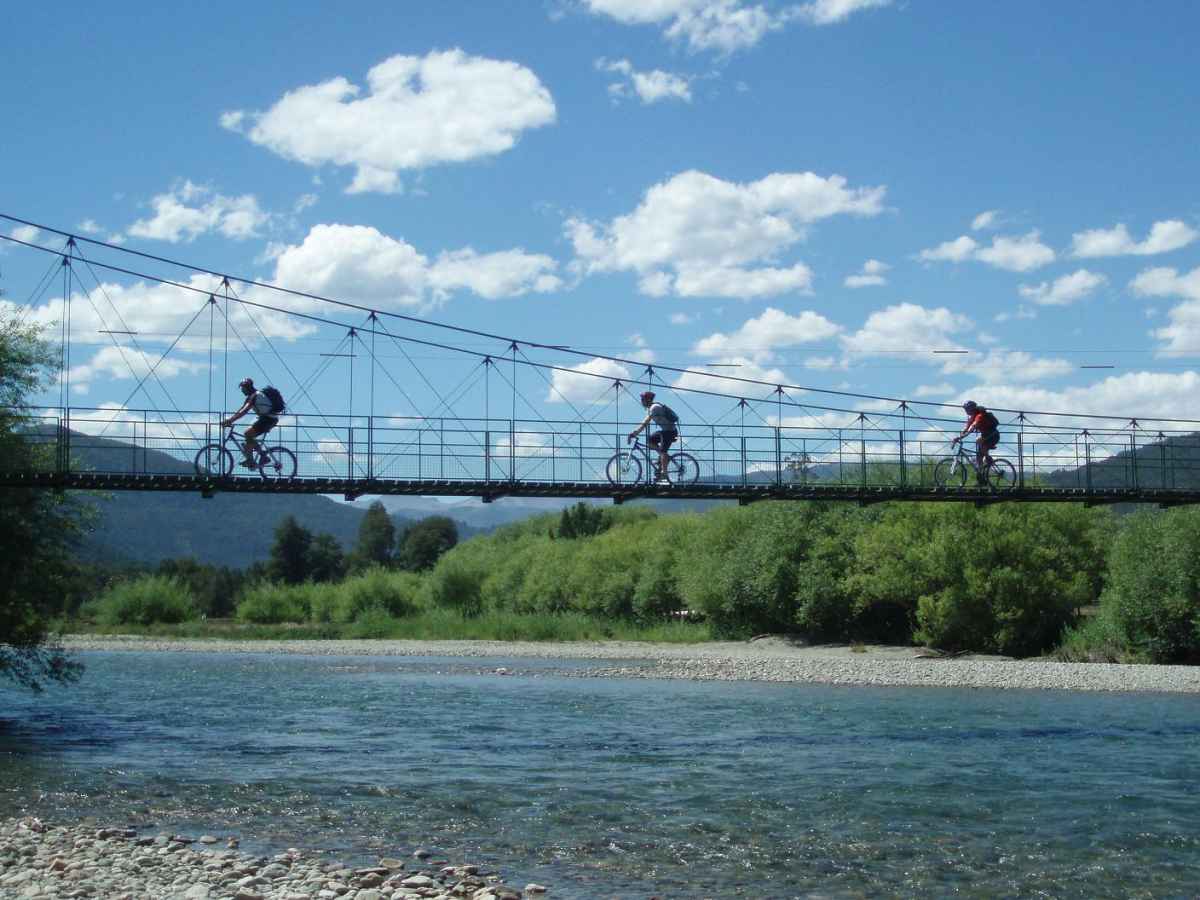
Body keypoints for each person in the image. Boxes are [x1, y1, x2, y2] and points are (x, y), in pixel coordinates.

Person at [221, 377, 282, 469]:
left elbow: (244, 411)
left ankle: (254, 459)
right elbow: (240, 410)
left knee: (248, 434)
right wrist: (231, 419)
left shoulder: (254, 396)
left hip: (268, 419)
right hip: (266, 419)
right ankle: (261, 457)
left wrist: (230, 421)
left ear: (247, 387)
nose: (242, 390)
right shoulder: (252, 397)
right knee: (248, 439)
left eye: (243, 388)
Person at [628, 390, 680, 482]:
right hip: (665, 431)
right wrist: (635, 432)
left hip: (670, 432)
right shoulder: (651, 408)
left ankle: (664, 472)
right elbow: (645, 422)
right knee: (650, 441)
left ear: (647, 400)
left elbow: (645, 422)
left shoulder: (654, 408)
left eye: (643, 399)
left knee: (663, 451)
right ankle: (663, 458)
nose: (641, 401)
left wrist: (635, 433)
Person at [952, 400, 1000, 482]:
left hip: (993, 435)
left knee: (978, 440)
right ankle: (981, 477)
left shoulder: (979, 415)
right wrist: (958, 436)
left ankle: (988, 459)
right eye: (965, 409)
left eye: (967, 409)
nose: (966, 411)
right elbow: (966, 428)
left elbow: (972, 427)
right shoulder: (972, 417)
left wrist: (961, 437)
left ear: (971, 409)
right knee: (979, 458)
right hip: (986, 436)